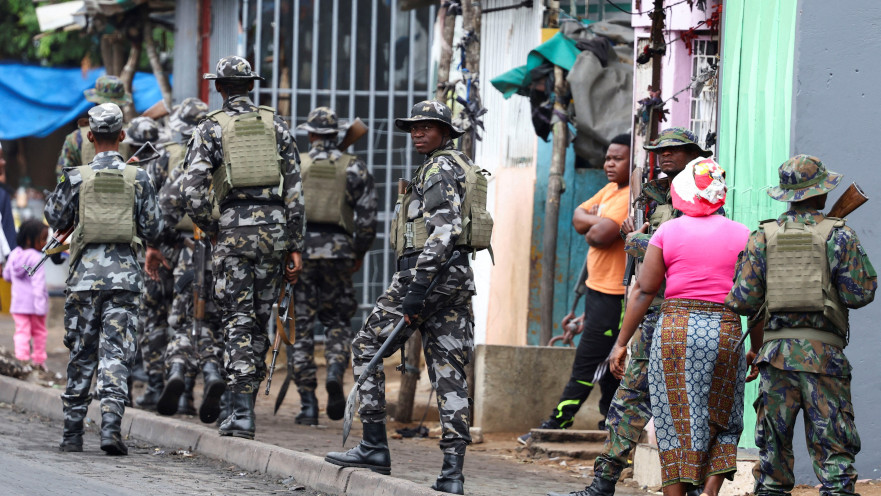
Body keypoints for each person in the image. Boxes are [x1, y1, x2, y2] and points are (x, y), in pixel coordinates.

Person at [325, 100, 493, 495]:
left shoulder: (437, 168)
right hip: (456, 279)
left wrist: (417, 289)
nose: (417, 133)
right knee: (450, 372)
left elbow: (445, 229)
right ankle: (452, 473)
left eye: (427, 127)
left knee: (366, 346)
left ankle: (373, 446)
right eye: (413, 128)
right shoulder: (463, 164)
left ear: (445, 131)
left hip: (428, 274)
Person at [551, 128, 712, 496]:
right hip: (653, 314)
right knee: (627, 401)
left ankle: (693, 486)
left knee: (686, 407)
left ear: (694, 155)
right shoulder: (654, 197)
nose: (666, 156)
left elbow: (678, 254)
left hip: (685, 314)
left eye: (676, 150)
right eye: (661, 150)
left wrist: (636, 241)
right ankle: (602, 484)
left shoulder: (705, 196)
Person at [725, 155, 876, 496]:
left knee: (772, 462)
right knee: (835, 459)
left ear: (787, 196)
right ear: (822, 193)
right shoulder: (840, 235)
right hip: (825, 360)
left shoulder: (761, 237)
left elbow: (741, 301)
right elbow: (861, 294)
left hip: (775, 360)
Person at [181, 55, 305, 440]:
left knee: (236, 317)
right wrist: (295, 243)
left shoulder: (210, 128)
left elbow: (192, 190)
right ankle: (244, 410)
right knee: (260, 317)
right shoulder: (277, 125)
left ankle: (239, 414)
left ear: (219, 88)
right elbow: (296, 189)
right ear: (251, 85)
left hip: (233, 231)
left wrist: (214, 228)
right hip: (275, 232)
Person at [608, 157, 748, 496]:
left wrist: (621, 342)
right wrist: (755, 346)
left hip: (675, 330)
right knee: (725, 416)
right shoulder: (744, 234)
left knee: (675, 420)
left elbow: (644, 289)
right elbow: (754, 301)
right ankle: (710, 491)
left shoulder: (668, 232)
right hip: (726, 330)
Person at [47, 103, 163, 455]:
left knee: (82, 353)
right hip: (125, 279)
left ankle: (71, 434)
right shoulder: (138, 176)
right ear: (123, 136)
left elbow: (53, 215)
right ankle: (111, 428)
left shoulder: (76, 175)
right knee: (115, 354)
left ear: (91, 135)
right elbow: (155, 228)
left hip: (83, 279)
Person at [519, 133, 631, 445]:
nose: (609, 163)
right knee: (607, 364)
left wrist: (593, 222)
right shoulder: (611, 189)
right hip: (597, 291)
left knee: (588, 361)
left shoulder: (627, 198)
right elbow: (577, 217)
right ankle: (609, 422)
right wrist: (594, 221)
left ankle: (557, 423)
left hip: (615, 296)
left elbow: (599, 236)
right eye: (608, 157)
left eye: (617, 158)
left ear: (631, 161)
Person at [287, 106, 377, 425]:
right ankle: (335, 373)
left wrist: (287, 252)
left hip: (302, 254)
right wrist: (358, 253)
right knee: (338, 321)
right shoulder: (354, 167)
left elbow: (285, 210)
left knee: (301, 329)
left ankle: (308, 405)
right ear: (337, 134)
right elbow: (367, 219)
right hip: (339, 252)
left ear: (310, 134)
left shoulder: (297, 165)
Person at [151, 97, 227, 424]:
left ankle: (180, 378)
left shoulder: (186, 160)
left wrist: (170, 241)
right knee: (218, 323)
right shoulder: (235, 157)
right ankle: (212, 372)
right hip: (228, 254)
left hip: (190, 253)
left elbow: (162, 211)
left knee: (183, 321)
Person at [55, 75, 132, 179]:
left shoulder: (76, 138)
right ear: (121, 105)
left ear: (95, 102)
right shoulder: (133, 135)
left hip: (86, 194)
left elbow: (63, 178)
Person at [2, 220, 49, 367]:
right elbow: (38, 284)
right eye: (42, 239)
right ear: (29, 239)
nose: (45, 243)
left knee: (22, 332)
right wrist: (41, 307)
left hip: (18, 304)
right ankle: (38, 360)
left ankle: (22, 359)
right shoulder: (36, 258)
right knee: (39, 332)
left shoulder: (14, 254)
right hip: (35, 305)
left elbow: (7, 276)